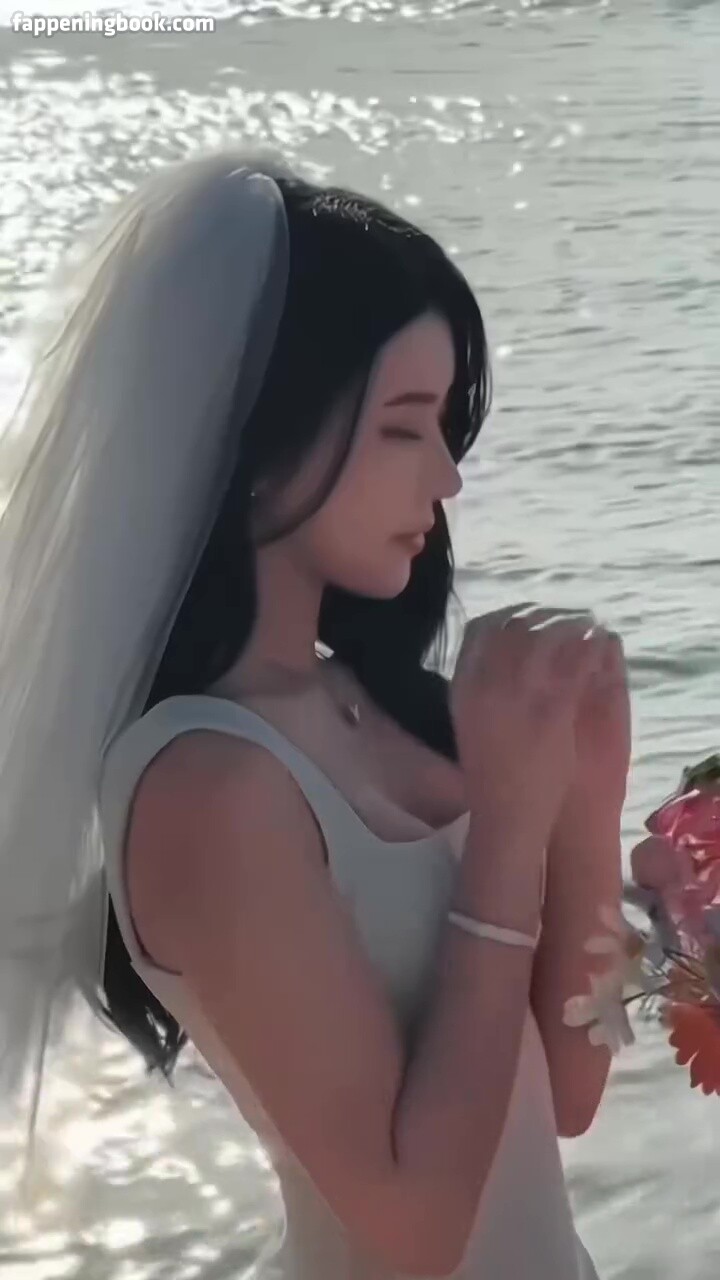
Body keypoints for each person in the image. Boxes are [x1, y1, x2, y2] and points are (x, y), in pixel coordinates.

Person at [0, 149, 630, 1277]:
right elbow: (416, 1223)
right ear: (258, 438)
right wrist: (507, 834)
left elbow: (568, 1093)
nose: (447, 479)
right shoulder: (205, 784)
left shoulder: (378, 704)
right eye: (404, 426)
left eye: (444, 427)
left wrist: (585, 798)